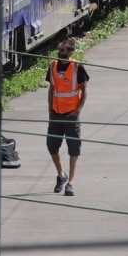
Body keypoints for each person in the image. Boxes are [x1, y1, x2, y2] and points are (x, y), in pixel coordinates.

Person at [46, 38, 88, 197]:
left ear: (70, 52)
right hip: (55, 114)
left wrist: (78, 110)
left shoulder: (78, 67)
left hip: (71, 116)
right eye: (59, 49)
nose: (59, 52)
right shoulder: (53, 66)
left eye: (62, 50)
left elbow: (84, 90)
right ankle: (61, 174)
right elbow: (51, 88)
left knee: (74, 149)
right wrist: (50, 108)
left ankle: (70, 183)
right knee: (52, 146)